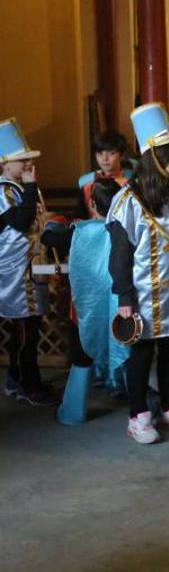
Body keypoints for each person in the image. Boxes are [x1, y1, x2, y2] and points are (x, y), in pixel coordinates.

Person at [106, 103, 169, 445]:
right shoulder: (126, 201)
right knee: (141, 356)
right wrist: (125, 298)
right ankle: (138, 414)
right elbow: (120, 256)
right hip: (142, 295)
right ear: (153, 158)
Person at [42, 178, 129, 424]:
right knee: (128, 350)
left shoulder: (77, 231)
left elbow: (48, 239)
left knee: (82, 355)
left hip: (86, 308)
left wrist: (54, 222)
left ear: (91, 203)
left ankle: (72, 413)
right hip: (121, 305)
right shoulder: (125, 229)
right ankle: (140, 407)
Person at [0, 118, 55, 406]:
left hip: (30, 269)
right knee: (26, 333)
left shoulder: (19, 189)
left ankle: (14, 379)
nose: (26, 165)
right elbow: (21, 223)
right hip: (16, 274)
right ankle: (29, 386)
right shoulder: (5, 190)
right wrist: (32, 188)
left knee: (25, 329)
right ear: (5, 164)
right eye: (21, 160)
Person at [75, 129, 133, 218]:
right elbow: (79, 215)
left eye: (111, 153)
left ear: (122, 155)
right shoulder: (86, 183)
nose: (105, 158)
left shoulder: (132, 179)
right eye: (100, 153)